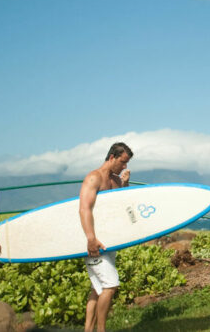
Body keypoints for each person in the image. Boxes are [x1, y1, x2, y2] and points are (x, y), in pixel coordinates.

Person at [79, 142, 133, 332]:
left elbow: (119, 207)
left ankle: (88, 330)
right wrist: (90, 238)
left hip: (109, 242)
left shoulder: (116, 181)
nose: (125, 166)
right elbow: (84, 208)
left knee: (98, 288)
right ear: (112, 158)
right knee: (110, 286)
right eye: (123, 162)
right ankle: (101, 329)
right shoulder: (94, 178)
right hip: (94, 242)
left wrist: (125, 183)